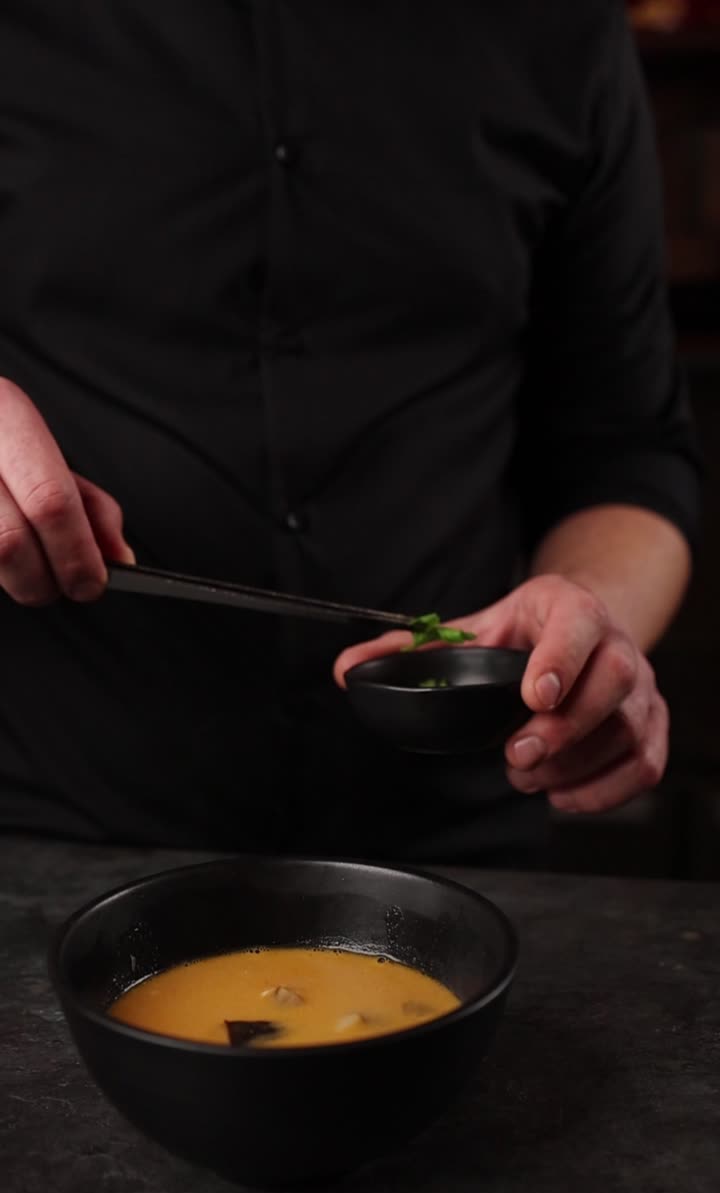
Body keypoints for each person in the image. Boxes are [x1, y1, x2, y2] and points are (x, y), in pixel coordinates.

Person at [0, 1, 700, 862]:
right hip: (53, 831)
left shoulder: (564, 28)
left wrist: (594, 624)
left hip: (458, 838)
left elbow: (629, 450)